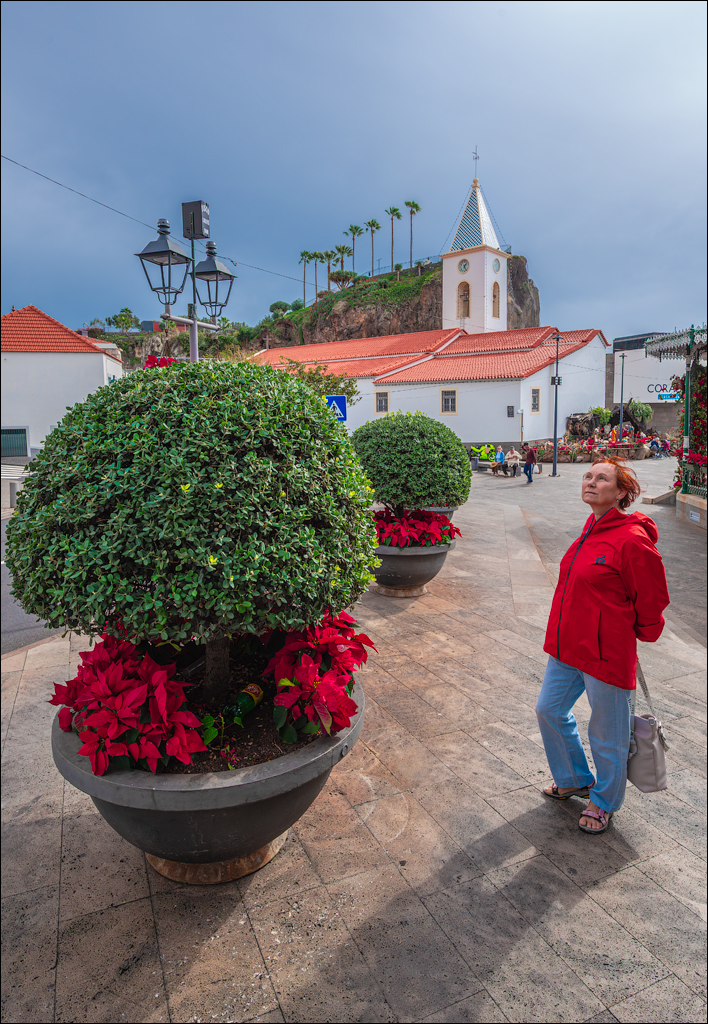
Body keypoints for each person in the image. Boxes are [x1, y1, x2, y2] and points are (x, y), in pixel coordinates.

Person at [536, 457, 669, 834]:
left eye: (602, 478)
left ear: (622, 492)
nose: (591, 482)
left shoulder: (631, 538)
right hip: (567, 646)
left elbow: (653, 597)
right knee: (549, 709)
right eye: (588, 476)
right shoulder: (591, 528)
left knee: (608, 734)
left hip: (606, 650)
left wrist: (638, 631)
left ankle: (605, 801)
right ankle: (575, 778)